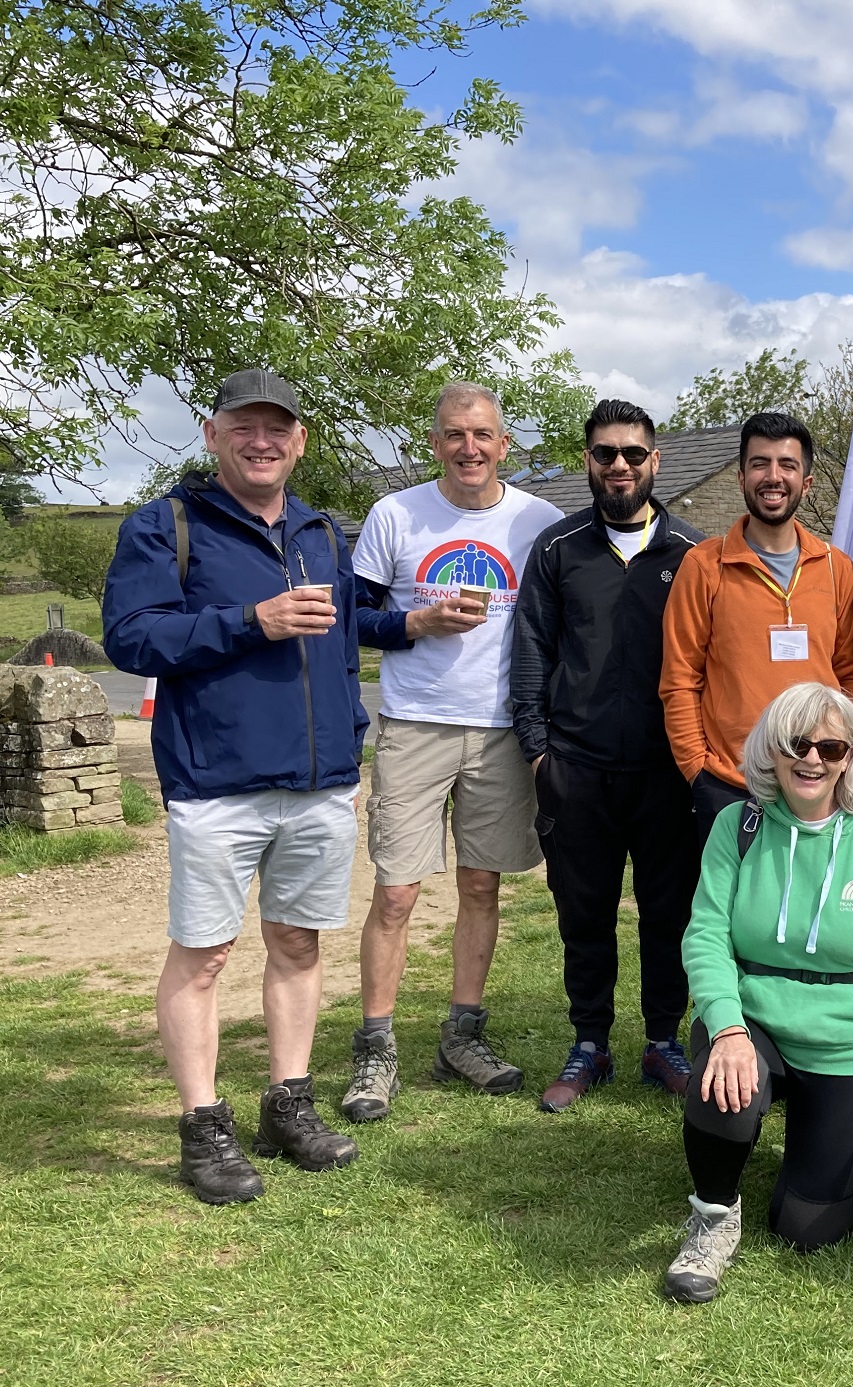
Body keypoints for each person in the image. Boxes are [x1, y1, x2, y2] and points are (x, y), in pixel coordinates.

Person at [102, 368, 366, 1203]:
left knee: (297, 943)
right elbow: (131, 638)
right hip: (217, 785)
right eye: (243, 427)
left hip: (320, 784)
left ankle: (288, 1104)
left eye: (277, 428)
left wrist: (418, 626)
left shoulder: (322, 532)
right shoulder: (166, 525)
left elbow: (352, 629)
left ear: (300, 440)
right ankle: (203, 1125)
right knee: (205, 954)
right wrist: (250, 621)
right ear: (212, 435)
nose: (262, 441)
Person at [664, 683, 853, 1303]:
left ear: (851, 758)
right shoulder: (739, 825)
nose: (812, 759)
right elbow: (705, 935)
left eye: (831, 746)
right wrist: (727, 1028)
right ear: (772, 750)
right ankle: (713, 1214)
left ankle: (806, 1154)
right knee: (724, 1084)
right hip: (754, 1017)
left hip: (850, 1035)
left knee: (807, 1230)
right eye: (796, 743)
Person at [340, 383, 564, 1122]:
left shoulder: (540, 522)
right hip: (414, 722)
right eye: (453, 435)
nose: (469, 447)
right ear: (433, 442)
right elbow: (353, 618)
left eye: (482, 435)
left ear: (505, 444)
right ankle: (375, 1047)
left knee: (480, 885)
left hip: (500, 728)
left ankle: (461, 1035)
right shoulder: (394, 515)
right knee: (397, 889)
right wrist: (414, 622)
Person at [511, 399, 707, 1110]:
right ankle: (588, 1043)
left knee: (669, 915)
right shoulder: (558, 549)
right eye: (604, 453)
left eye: (632, 453)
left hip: (667, 772)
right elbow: (530, 651)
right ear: (588, 462)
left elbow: (710, 659)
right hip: (577, 768)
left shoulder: (691, 551)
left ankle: (663, 1041)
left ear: (654, 461)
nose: (618, 465)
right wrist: (539, 754)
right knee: (583, 915)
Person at [661, 412, 853, 845]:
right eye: (760, 463)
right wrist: (696, 768)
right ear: (741, 476)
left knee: (813, 910)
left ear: (807, 482)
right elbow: (680, 679)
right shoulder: (704, 567)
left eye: (787, 465)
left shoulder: (836, 569)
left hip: (818, 778)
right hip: (730, 784)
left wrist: (843, 752)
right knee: (731, 911)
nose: (772, 476)